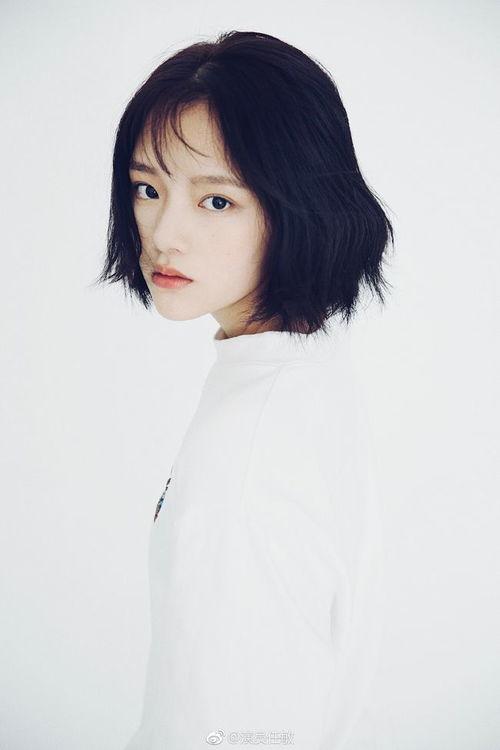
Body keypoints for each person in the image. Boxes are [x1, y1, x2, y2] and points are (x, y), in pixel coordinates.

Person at [95, 29, 394, 750]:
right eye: (147, 188)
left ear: (299, 206)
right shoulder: (307, 370)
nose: (164, 233)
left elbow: (241, 735)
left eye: (216, 201)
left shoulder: (246, 453)